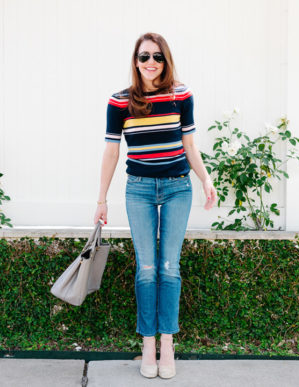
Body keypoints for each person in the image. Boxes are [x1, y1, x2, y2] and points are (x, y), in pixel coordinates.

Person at [94, 32, 217, 379]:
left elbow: (190, 146)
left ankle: (168, 344)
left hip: (178, 187)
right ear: (135, 61)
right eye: (145, 56)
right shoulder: (120, 102)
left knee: (169, 267)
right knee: (147, 268)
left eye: (158, 57)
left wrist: (205, 179)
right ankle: (148, 344)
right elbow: (111, 152)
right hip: (139, 190)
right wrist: (101, 200)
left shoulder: (182, 95)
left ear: (166, 60)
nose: (151, 63)